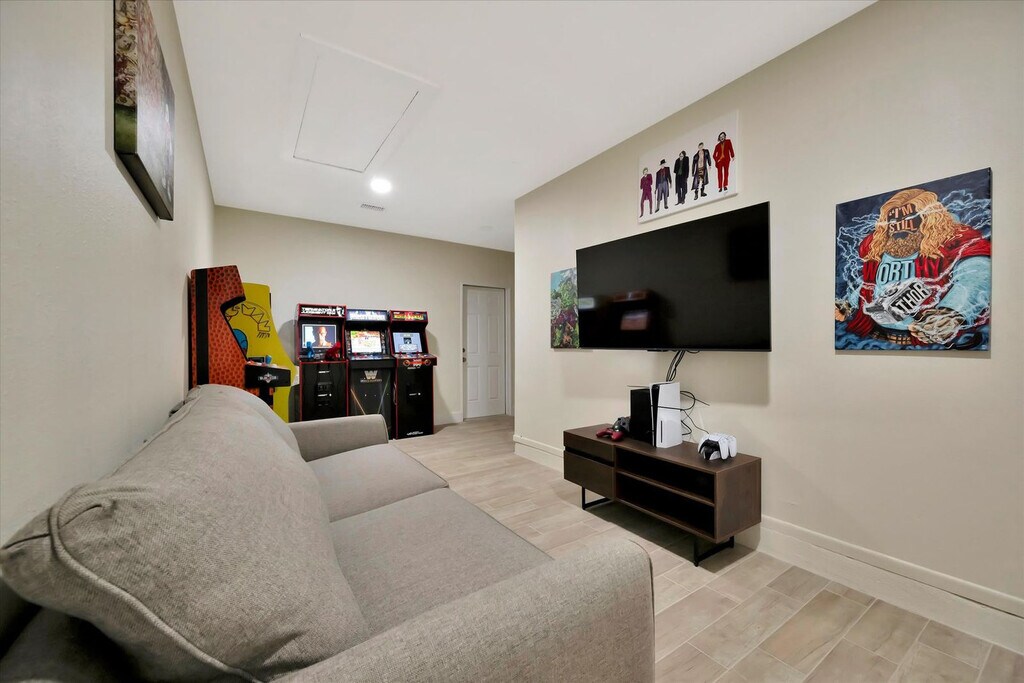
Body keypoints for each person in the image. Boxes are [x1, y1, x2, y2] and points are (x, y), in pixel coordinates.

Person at [835, 188, 991, 347]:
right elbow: (872, 285)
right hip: (876, 337)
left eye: (907, 220)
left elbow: (977, 274)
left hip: (924, 341)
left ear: (928, 219)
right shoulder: (878, 245)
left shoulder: (952, 240)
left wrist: (950, 313)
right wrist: (849, 305)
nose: (899, 226)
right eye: (894, 221)